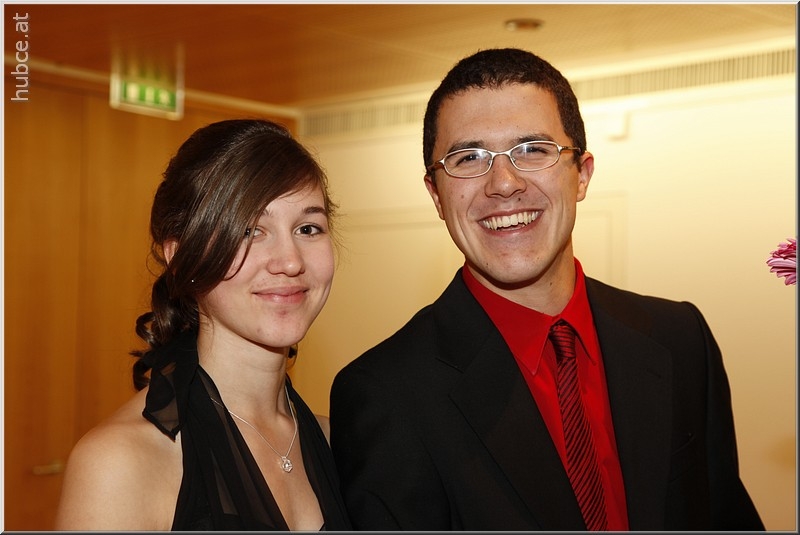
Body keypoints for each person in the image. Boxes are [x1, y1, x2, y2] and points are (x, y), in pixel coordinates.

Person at [329, 48, 764, 531]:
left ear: (582, 175)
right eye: (468, 158)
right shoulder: (387, 395)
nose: (503, 184)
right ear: (436, 194)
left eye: (532, 150)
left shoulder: (679, 339)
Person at [55, 119, 352, 531]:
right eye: (250, 230)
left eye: (308, 228)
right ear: (181, 256)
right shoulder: (120, 464)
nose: (290, 261)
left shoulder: (339, 442)